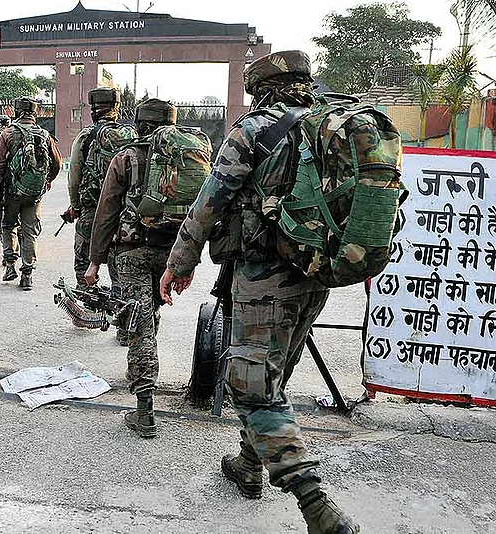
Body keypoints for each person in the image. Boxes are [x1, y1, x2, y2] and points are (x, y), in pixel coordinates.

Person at [160, 51, 360, 533]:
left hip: (264, 278)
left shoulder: (254, 130)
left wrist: (179, 262)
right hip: (317, 274)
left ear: (260, 88)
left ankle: (316, 505)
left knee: (252, 387)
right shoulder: (333, 126)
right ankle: (249, 465)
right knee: (271, 376)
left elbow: (210, 201)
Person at [84, 99, 180, 439]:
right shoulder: (183, 158)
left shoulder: (126, 158)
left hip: (131, 252)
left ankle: (145, 409)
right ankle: (141, 373)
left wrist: (95, 260)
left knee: (139, 324)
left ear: (139, 123)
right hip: (170, 253)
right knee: (150, 314)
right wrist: (188, 261)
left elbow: (107, 210)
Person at [67, 87, 137, 344]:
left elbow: (74, 175)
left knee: (83, 261)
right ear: (116, 107)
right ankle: (124, 328)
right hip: (123, 212)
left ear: (93, 110)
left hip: (92, 211)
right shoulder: (132, 134)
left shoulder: (86, 136)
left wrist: (75, 205)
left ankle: (88, 312)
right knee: (121, 268)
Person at [0, 97, 62, 291]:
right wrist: (46, 181)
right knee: (30, 230)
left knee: (8, 225)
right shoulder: (44, 135)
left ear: (16, 111)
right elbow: (57, 163)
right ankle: (27, 275)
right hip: (34, 194)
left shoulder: (7, 133)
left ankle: (9, 265)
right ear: (34, 113)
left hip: (12, 191)